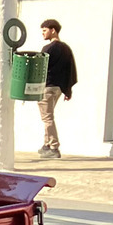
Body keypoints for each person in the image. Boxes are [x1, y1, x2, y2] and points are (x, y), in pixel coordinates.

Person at [37, 19, 77, 159]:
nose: (42, 33)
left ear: (53, 30)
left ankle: (53, 146)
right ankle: (46, 145)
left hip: (47, 88)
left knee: (47, 118)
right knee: (49, 116)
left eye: (44, 30)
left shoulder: (47, 49)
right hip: (58, 88)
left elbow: (39, 69)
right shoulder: (66, 48)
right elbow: (70, 69)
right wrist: (68, 90)